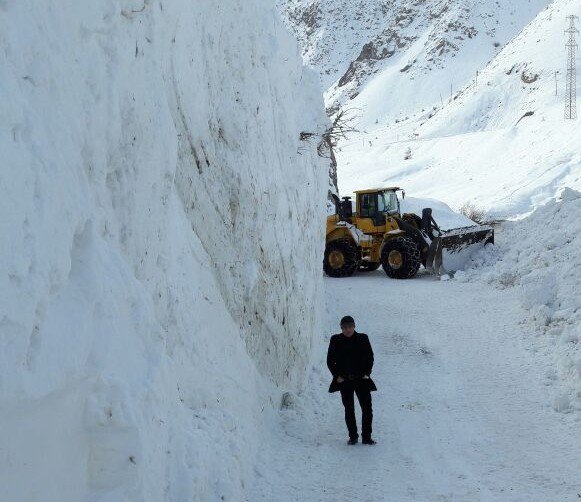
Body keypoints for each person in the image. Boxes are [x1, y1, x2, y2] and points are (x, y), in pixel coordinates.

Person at [327, 315, 377, 445]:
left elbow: (370, 357)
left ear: (354, 326)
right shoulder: (336, 340)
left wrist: (367, 373)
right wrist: (337, 376)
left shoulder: (363, 338)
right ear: (341, 328)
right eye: (344, 328)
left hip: (362, 379)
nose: (347, 330)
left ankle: (366, 437)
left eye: (350, 327)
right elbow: (330, 360)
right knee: (349, 409)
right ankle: (353, 436)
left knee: (367, 409)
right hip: (345, 381)